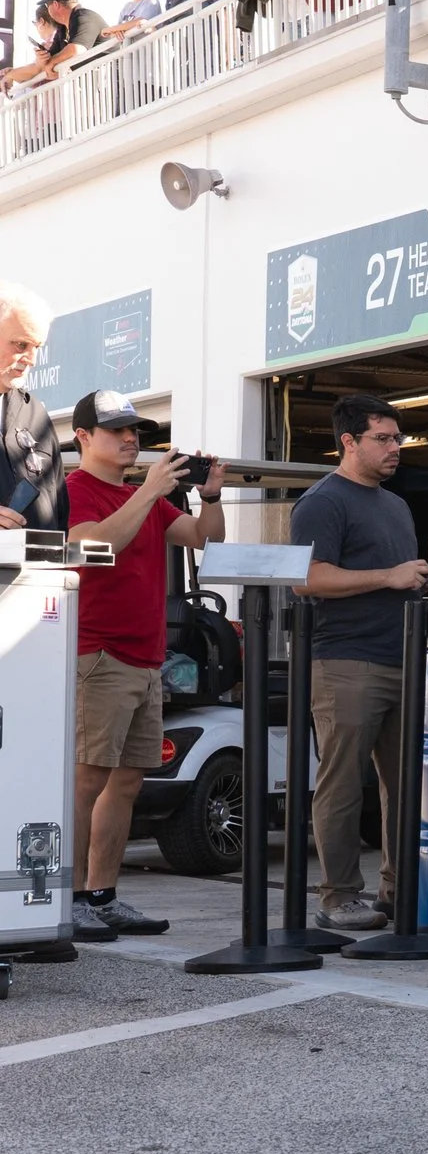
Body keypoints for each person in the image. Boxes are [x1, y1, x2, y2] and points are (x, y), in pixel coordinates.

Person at [291, 395, 428, 930]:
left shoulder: (395, 504)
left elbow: (392, 575)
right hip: (347, 662)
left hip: (405, 660)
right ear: (349, 442)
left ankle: (396, 890)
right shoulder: (322, 502)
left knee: (406, 784)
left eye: (398, 438)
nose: (396, 448)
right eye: (383, 439)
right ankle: (338, 896)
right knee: (342, 784)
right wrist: (389, 576)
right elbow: (309, 578)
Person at [64, 392, 226, 942]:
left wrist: (210, 495)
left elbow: (206, 539)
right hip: (99, 653)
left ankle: (102, 895)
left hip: (145, 657)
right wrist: (152, 490)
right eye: (116, 431)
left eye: (136, 431)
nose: (131, 439)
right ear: (83, 436)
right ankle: (71, 896)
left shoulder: (147, 498)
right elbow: (90, 544)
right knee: (86, 779)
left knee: (128, 781)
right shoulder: (71, 491)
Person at [0, 284, 66, 534]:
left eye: (36, 347)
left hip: (36, 571)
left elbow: (59, 510)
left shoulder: (35, 414)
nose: (32, 359)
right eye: (20, 345)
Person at [4, 0, 107, 90]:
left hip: (110, 86)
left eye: (47, 6)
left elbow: (76, 49)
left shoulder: (84, 16)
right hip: (95, 89)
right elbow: (42, 66)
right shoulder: (62, 29)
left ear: (55, 5)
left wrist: (52, 62)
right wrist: (10, 75)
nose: (47, 11)